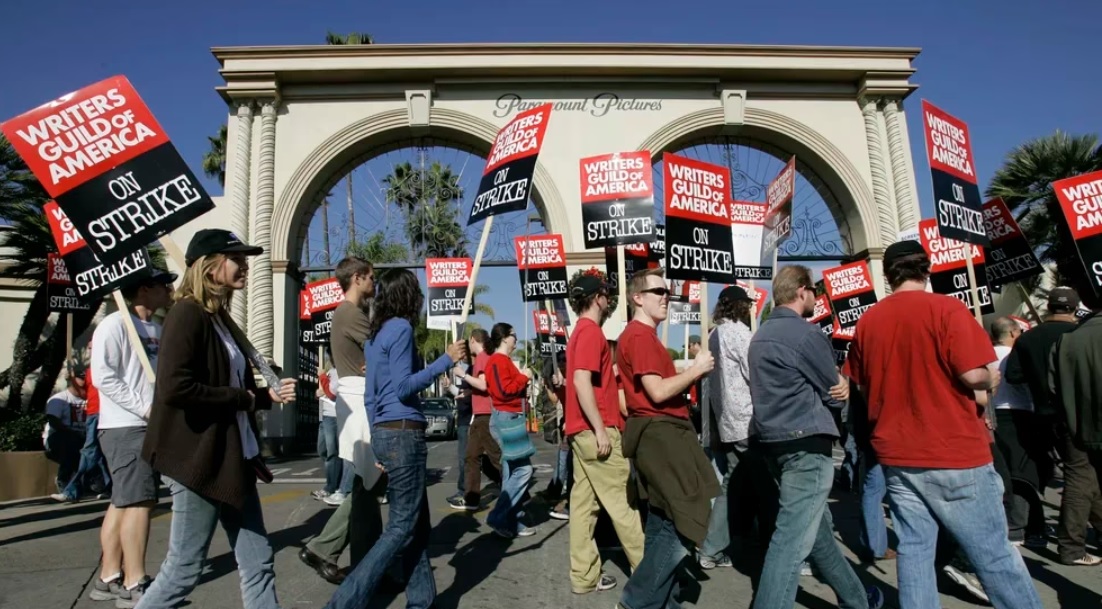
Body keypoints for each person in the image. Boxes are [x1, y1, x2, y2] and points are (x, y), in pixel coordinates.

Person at [844, 240, 1042, 609]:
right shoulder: (947, 309)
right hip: (954, 451)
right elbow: (971, 374)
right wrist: (989, 379)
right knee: (993, 555)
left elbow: (861, 382)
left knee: (915, 553)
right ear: (926, 268)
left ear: (888, 275)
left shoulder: (868, 321)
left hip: (898, 455)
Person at [137, 229, 297, 609]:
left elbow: (224, 389)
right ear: (210, 267)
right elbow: (176, 388)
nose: (244, 265)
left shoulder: (219, 319)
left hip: (232, 458)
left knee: (258, 561)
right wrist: (244, 397)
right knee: (182, 571)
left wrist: (263, 396)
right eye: (236, 258)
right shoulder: (186, 314)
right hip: (198, 462)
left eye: (245, 258)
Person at [324, 268, 466, 609]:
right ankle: (344, 601)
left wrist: (376, 437)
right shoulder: (401, 329)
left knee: (417, 525)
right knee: (402, 526)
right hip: (404, 432)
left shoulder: (374, 337)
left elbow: (372, 397)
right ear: (408, 296)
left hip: (387, 432)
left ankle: (422, 601)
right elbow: (404, 387)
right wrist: (446, 360)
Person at [748, 265, 879, 609]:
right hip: (806, 443)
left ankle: (857, 599)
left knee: (817, 536)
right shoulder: (806, 335)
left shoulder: (759, 336)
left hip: (774, 442)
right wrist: (843, 388)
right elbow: (833, 390)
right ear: (802, 290)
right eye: (814, 292)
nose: (816, 299)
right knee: (791, 542)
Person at [616, 267, 716, 609]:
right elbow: (657, 392)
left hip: (658, 435)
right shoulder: (641, 336)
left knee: (662, 522)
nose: (666, 297)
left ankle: (661, 602)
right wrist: (696, 370)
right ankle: (636, 600)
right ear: (637, 298)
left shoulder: (641, 337)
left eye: (667, 292)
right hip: (662, 435)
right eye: (658, 291)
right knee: (685, 521)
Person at [87, 268, 175, 607]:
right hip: (126, 426)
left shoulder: (156, 327)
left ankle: (109, 576)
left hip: (146, 425)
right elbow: (103, 377)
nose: (169, 289)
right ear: (143, 290)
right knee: (139, 501)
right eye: (162, 285)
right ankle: (134, 581)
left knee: (123, 501)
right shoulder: (113, 324)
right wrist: (144, 408)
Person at [1007, 287, 1102, 566]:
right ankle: (1070, 545)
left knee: (1084, 478)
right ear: (1074, 308)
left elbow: (1021, 377)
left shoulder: (1035, 339)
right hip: (1079, 418)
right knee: (1081, 479)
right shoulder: (1071, 335)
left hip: (1057, 417)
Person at [565, 275, 644, 595]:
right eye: (606, 294)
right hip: (596, 429)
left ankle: (584, 576)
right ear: (597, 298)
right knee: (623, 504)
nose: (609, 299)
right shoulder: (590, 332)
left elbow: (584, 380)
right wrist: (600, 428)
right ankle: (650, 576)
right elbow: (582, 381)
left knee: (584, 507)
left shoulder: (581, 333)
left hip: (580, 430)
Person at [698, 284, 756, 569]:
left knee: (733, 485)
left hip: (727, 421)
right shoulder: (740, 334)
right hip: (748, 420)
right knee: (773, 483)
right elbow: (755, 374)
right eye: (748, 305)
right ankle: (788, 550)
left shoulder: (713, 334)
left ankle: (711, 548)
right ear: (740, 307)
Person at [989, 317, 1048, 548]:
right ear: (1013, 333)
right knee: (1023, 474)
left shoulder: (986, 354)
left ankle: (1020, 524)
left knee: (1005, 473)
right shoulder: (1017, 354)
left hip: (993, 416)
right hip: (1018, 414)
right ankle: (1020, 526)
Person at [484, 322, 540, 539]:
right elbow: (504, 390)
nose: (516, 339)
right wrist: (523, 377)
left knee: (511, 471)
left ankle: (511, 520)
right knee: (524, 470)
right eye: (514, 335)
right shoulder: (498, 361)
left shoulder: (500, 361)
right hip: (507, 419)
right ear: (505, 337)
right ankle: (499, 516)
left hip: (508, 418)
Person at [450, 329, 504, 511]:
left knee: (495, 457)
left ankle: (517, 490)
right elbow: (483, 387)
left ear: (473, 340)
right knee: (472, 456)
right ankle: (471, 498)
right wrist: (467, 392)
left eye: (469, 343)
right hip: (481, 415)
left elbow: (483, 384)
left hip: (484, 416)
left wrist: (462, 374)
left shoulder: (481, 358)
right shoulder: (487, 357)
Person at [53, 362, 111, 502]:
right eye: (89, 348)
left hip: (103, 412)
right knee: (98, 454)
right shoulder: (90, 370)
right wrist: (72, 380)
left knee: (89, 451)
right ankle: (109, 489)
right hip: (93, 414)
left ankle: (71, 491)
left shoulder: (107, 366)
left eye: (91, 347)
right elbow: (85, 394)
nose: (90, 350)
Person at [43, 372, 88, 495]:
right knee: (69, 442)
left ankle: (98, 484)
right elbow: (54, 422)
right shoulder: (59, 399)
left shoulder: (91, 399)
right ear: (72, 380)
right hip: (58, 439)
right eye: (81, 378)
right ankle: (63, 479)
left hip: (84, 438)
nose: (85, 381)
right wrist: (75, 434)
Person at [311, 360, 344, 503]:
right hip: (324, 416)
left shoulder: (338, 372)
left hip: (334, 416)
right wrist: (318, 393)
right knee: (322, 450)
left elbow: (331, 393)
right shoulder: (330, 372)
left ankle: (331, 487)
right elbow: (324, 392)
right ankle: (337, 480)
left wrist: (322, 376)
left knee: (332, 453)